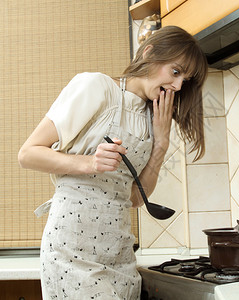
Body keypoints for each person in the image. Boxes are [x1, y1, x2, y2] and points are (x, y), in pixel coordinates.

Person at [18, 25, 208, 299]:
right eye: (175, 72)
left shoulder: (152, 117)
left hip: (120, 255)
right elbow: (28, 153)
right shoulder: (97, 87)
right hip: (72, 253)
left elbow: (133, 197)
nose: (178, 86)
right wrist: (88, 163)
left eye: (185, 80)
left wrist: (162, 142)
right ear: (149, 52)